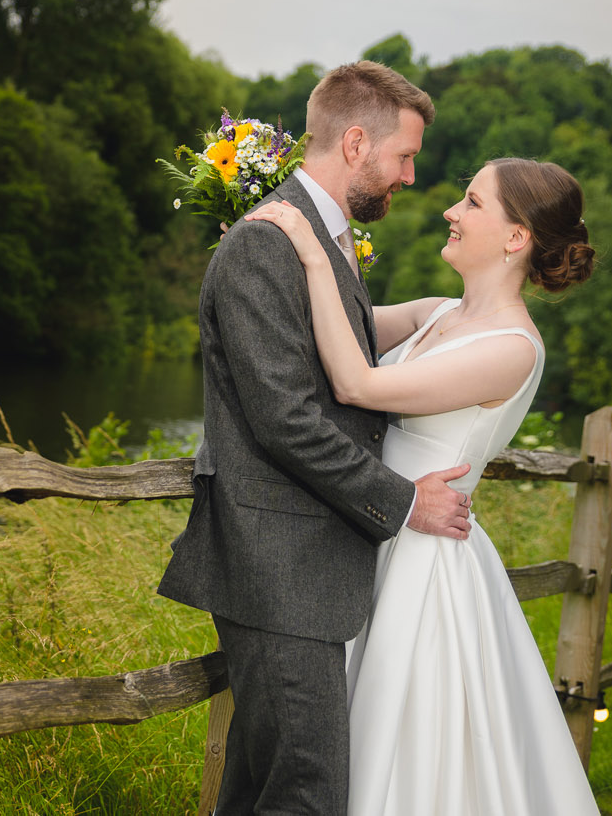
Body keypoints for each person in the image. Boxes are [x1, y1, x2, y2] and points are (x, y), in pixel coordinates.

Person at [157, 61, 473, 813]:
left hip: (304, 566)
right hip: (277, 567)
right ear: (357, 142)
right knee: (307, 791)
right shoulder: (265, 245)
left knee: (263, 788)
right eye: (404, 156)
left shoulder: (327, 244)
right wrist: (402, 502)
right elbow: (284, 418)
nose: (411, 175)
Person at [246, 156, 598, 815]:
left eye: (471, 202)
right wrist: (270, 236)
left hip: (422, 561)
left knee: (404, 739)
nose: (450, 212)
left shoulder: (513, 347)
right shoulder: (438, 314)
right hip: (374, 527)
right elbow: (323, 328)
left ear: (516, 238)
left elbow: (358, 382)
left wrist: (320, 258)